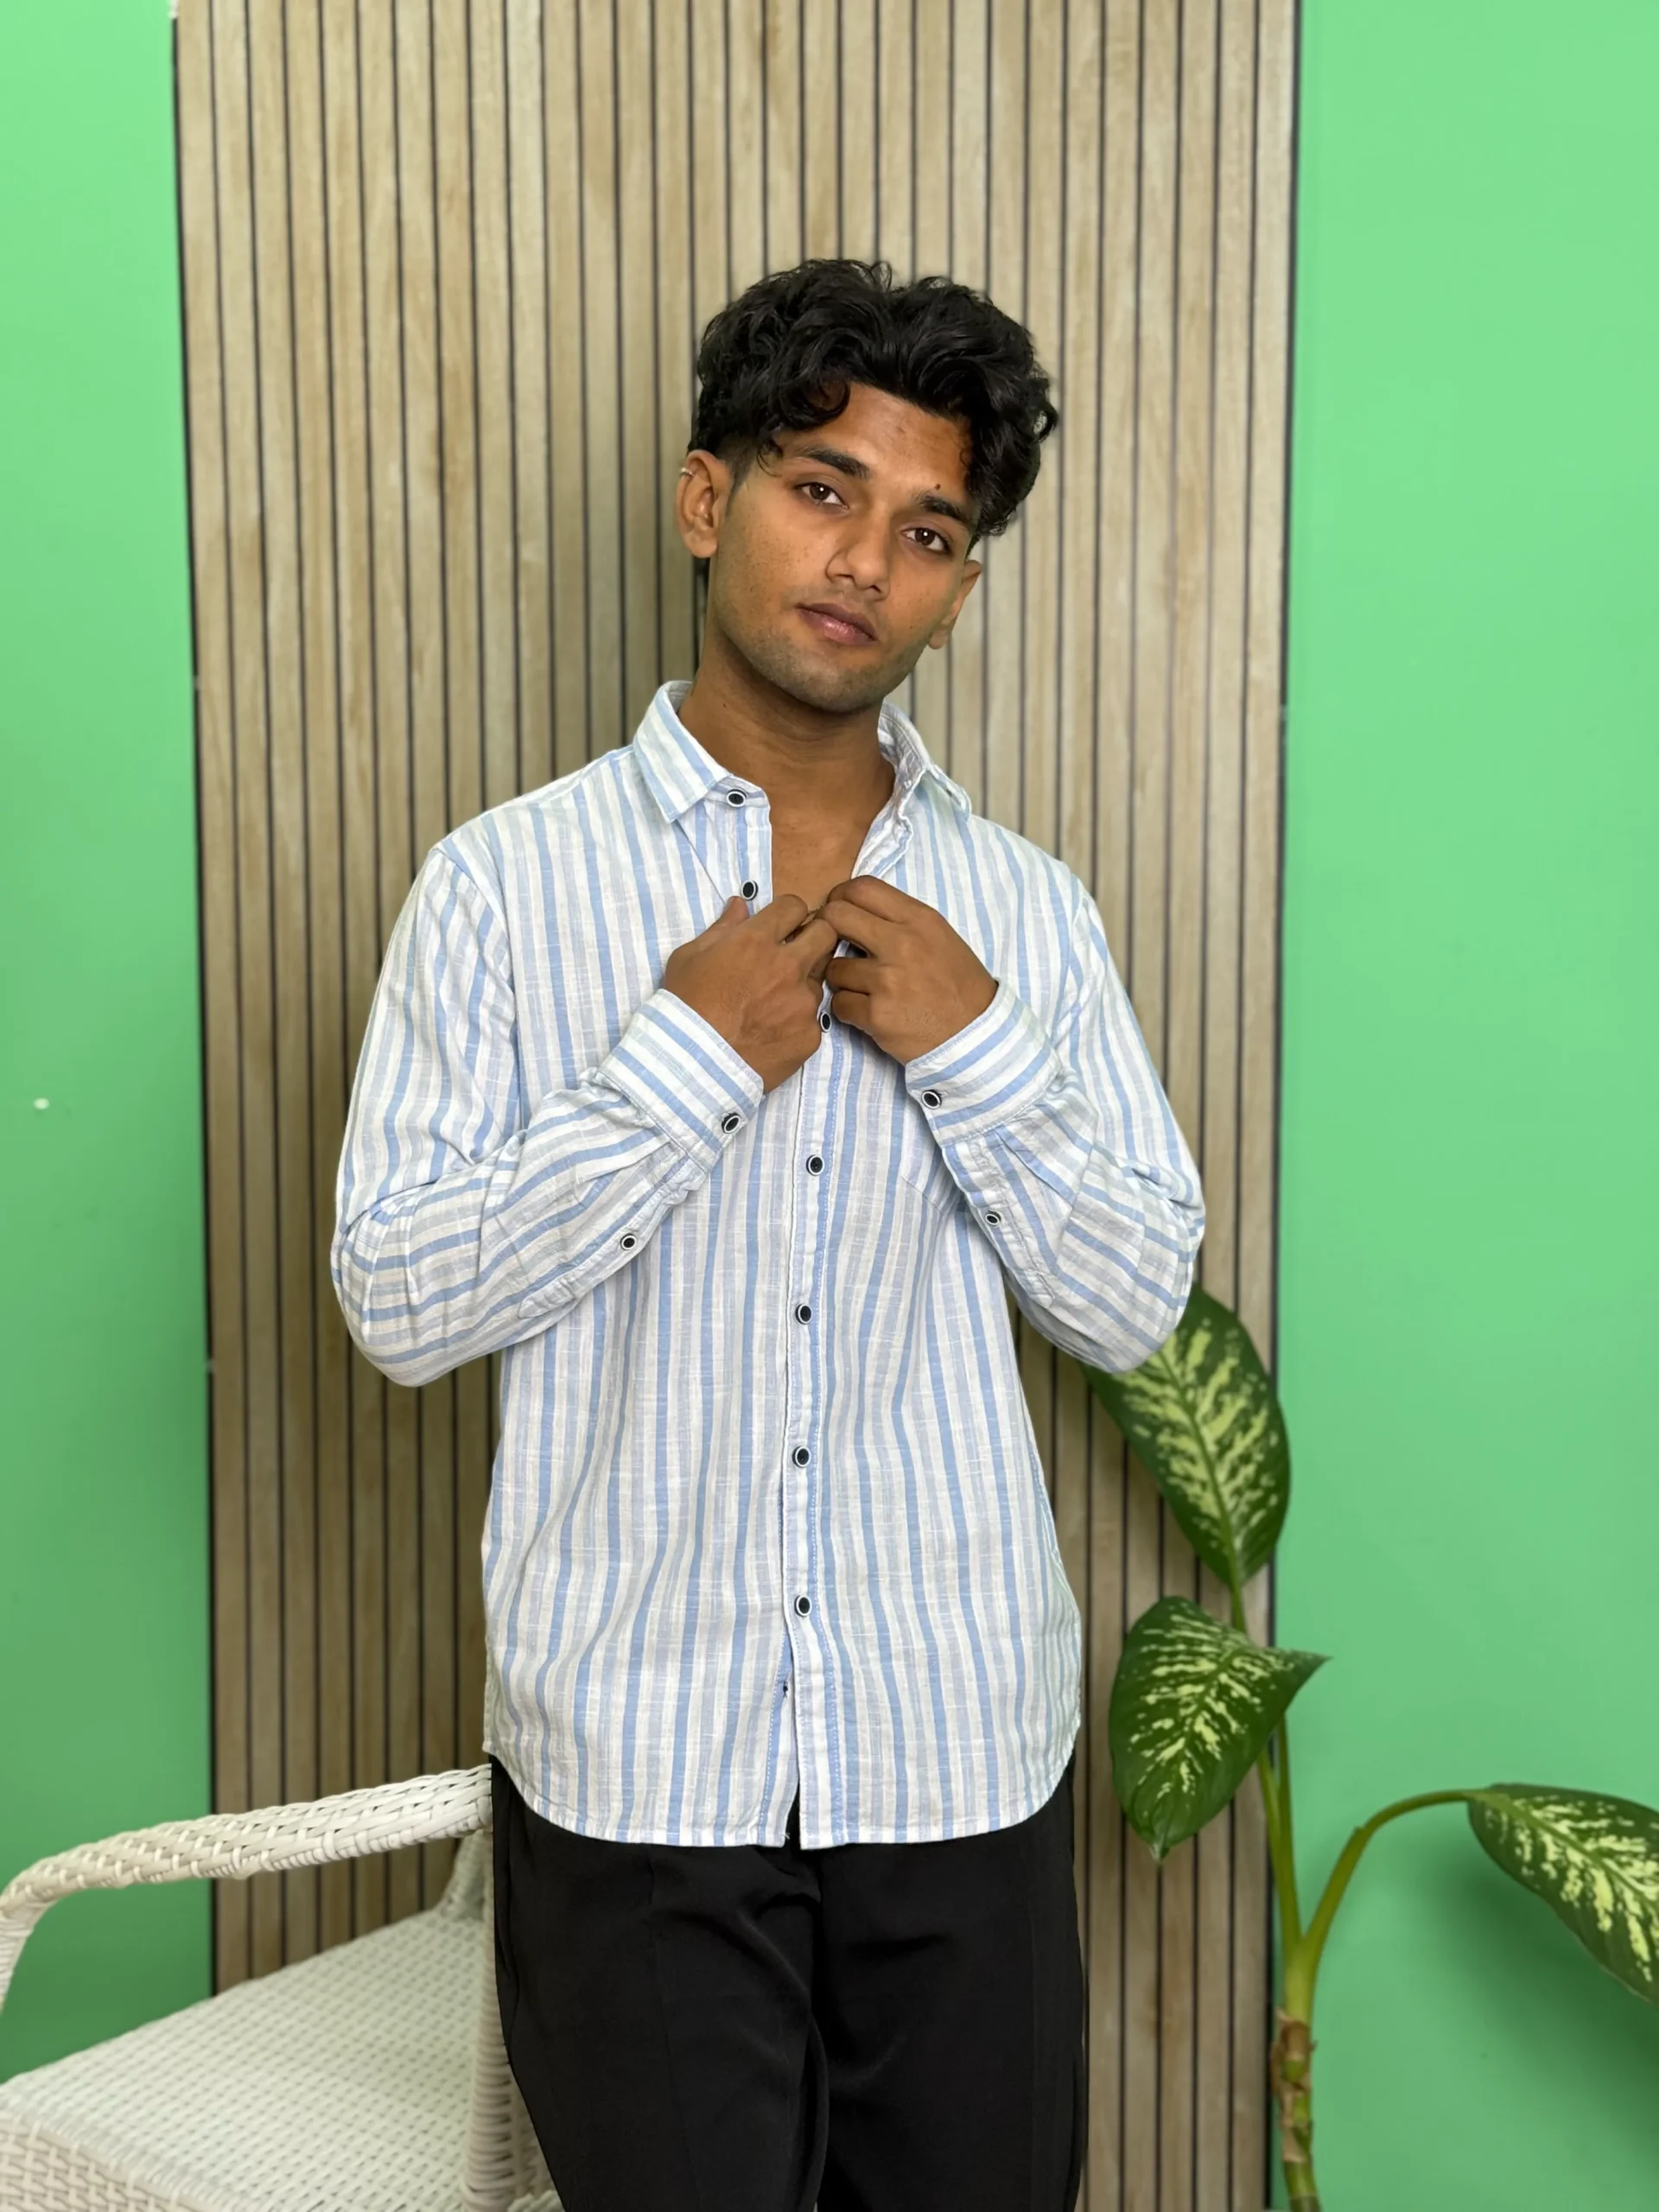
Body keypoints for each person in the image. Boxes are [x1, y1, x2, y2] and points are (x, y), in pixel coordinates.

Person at [332, 256, 1203, 2212]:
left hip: (958, 1752)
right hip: (639, 1770)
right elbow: (395, 1298)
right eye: (823, 488)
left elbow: (1140, 1299)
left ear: (960, 583)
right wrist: (681, 1064)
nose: (867, 561)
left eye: (931, 531)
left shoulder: (1029, 916)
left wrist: (975, 1048)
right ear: (706, 498)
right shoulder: (501, 889)